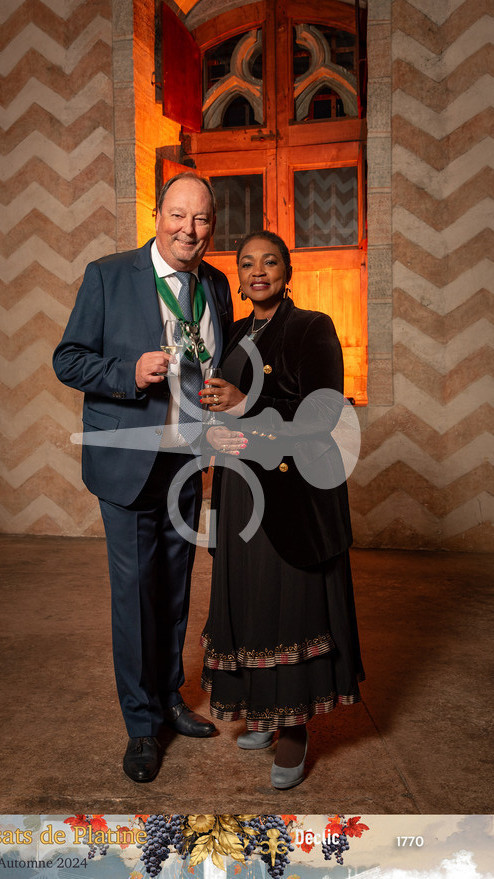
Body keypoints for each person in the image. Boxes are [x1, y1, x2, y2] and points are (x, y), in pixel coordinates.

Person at [53, 173, 233, 783]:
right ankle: (141, 726)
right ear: (157, 215)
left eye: (201, 219)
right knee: (134, 597)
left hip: (186, 461)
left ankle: (169, 697)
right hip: (128, 462)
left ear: (212, 226)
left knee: (175, 591)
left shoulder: (216, 284)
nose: (189, 229)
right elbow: (68, 359)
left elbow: (217, 360)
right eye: (179, 215)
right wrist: (127, 372)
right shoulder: (108, 275)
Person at [198, 230, 364, 789]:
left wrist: (247, 404)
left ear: (287, 272)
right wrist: (214, 432)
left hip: (292, 492)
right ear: (239, 279)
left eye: (270, 262)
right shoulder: (234, 333)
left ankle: (293, 729)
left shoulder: (313, 326)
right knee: (250, 603)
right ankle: (263, 714)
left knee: (289, 608)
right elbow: (219, 411)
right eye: (247, 264)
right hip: (240, 487)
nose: (258, 271)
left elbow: (323, 412)